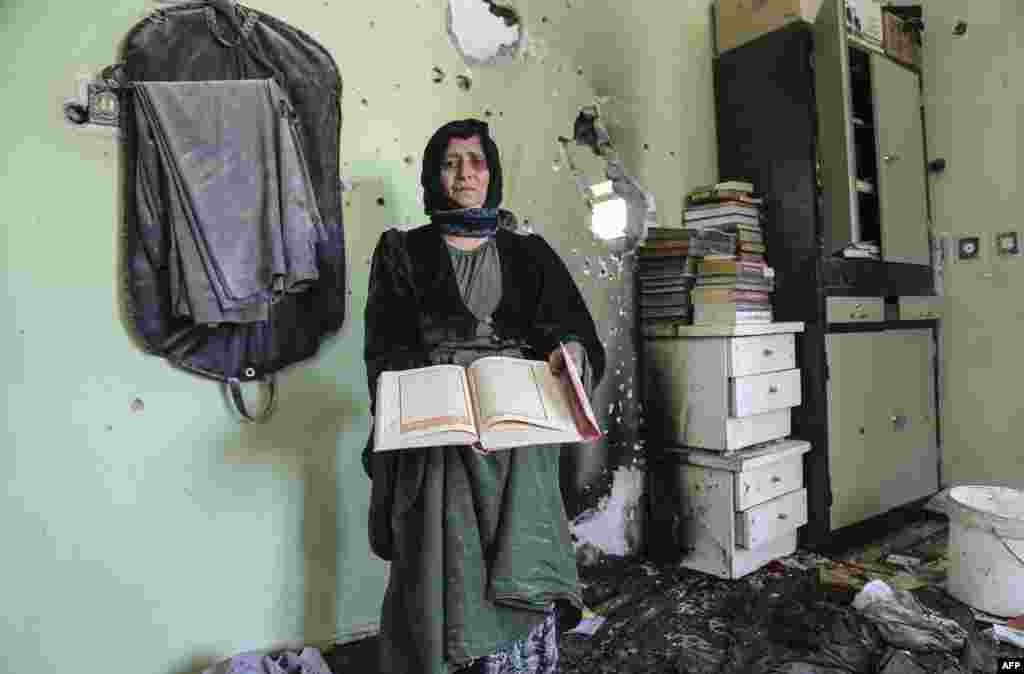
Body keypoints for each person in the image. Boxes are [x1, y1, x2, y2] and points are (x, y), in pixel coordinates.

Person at [362, 118, 606, 674]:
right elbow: (385, 351)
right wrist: (444, 405)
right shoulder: (401, 251)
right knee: (442, 556)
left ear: (491, 172)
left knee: (521, 546)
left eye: (476, 161)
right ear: (433, 174)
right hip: (439, 432)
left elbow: (573, 336)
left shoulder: (531, 253)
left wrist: (566, 355)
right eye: (451, 163)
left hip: (518, 432)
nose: (465, 173)